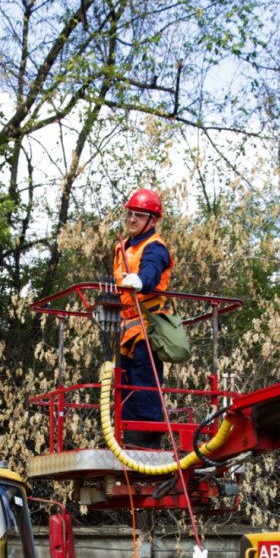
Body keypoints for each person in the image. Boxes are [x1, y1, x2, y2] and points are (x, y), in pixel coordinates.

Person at [113, 188, 173, 449]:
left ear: (153, 220)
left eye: (139, 215)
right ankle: (128, 443)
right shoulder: (123, 247)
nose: (132, 220)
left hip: (146, 330)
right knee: (124, 389)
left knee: (144, 387)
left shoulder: (154, 247)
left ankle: (147, 446)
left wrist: (141, 281)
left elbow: (151, 271)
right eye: (130, 214)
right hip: (125, 330)